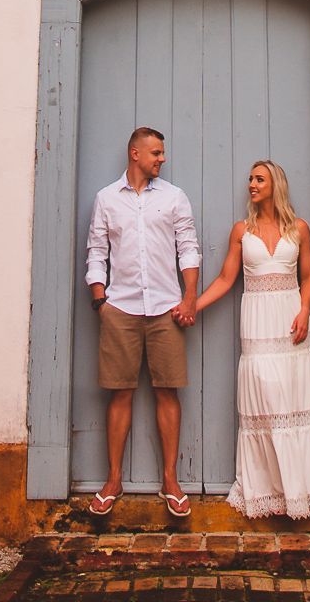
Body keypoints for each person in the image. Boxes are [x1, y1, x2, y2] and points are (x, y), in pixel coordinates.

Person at [195, 160, 310, 521]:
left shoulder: (299, 229)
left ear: (276, 185)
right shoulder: (241, 231)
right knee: (267, 403)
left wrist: (305, 310)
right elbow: (225, 280)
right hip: (258, 325)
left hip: (292, 325)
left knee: (294, 404)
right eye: (250, 179)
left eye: (259, 179)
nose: (252, 185)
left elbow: (308, 276)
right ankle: (269, 491)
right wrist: (192, 306)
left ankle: (301, 491)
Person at [84, 125, 201, 518]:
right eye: (156, 153)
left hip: (167, 309)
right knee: (120, 393)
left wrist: (189, 297)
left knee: (168, 391)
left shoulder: (174, 197)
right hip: (120, 309)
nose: (162, 159)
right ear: (135, 154)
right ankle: (113, 480)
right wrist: (100, 299)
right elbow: (96, 250)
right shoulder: (106, 199)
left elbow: (188, 247)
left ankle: (170, 480)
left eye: (162, 153)